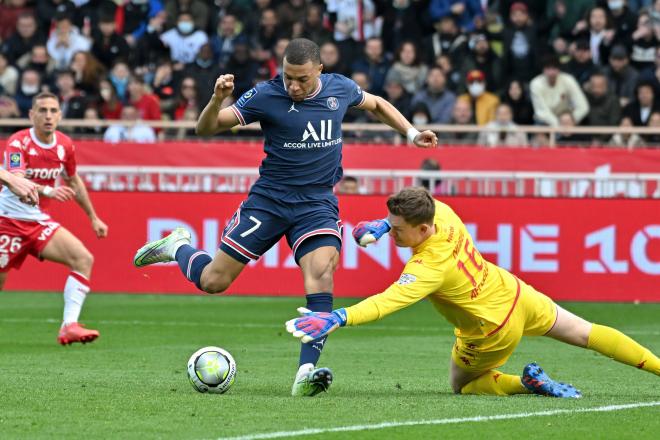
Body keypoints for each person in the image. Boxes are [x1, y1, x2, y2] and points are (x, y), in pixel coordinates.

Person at [133, 38, 438, 397]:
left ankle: (305, 372)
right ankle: (178, 246)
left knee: (322, 273)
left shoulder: (340, 88)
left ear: (319, 71)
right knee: (214, 281)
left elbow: (377, 104)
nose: (293, 85)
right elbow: (206, 128)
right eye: (288, 77)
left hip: (316, 204)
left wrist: (412, 133)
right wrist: (217, 99)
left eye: (302, 79)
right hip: (269, 202)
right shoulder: (266, 95)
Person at [286, 187, 660, 397]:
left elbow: (386, 302)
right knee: (586, 332)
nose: (394, 234)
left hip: (491, 329)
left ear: (422, 230)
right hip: (515, 292)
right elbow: (413, 206)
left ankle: (525, 384)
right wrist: (381, 225)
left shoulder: (427, 268)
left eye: (399, 230)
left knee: (461, 386)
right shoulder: (442, 211)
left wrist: (338, 316)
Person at [0, 92, 108, 345]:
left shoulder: (65, 145)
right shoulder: (18, 142)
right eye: (42, 110)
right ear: (31, 115)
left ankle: (69, 326)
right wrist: (48, 190)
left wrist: (94, 217)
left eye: (53, 111)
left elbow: (73, 181)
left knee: (83, 259)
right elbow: (17, 181)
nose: (48, 116)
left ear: (60, 115)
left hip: (37, 222)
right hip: (7, 221)